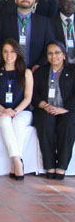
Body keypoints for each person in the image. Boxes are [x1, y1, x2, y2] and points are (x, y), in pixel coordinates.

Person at [0, 39, 33, 180]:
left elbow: (28, 97)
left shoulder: (26, 72)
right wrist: (4, 110)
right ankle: (18, 162)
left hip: (22, 111)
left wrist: (15, 111)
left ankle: (16, 162)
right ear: (1, 54)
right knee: (6, 121)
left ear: (18, 53)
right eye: (5, 51)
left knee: (18, 123)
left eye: (12, 51)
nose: (9, 55)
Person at [32, 41, 75, 180]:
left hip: (67, 110)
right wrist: (45, 105)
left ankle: (62, 166)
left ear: (64, 55)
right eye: (50, 53)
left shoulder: (72, 71)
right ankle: (49, 165)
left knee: (68, 125)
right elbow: (33, 94)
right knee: (45, 123)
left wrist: (64, 109)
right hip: (45, 109)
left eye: (57, 52)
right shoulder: (40, 71)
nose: (53, 56)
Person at [0, 0, 54, 70]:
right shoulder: (4, 20)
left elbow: (50, 46)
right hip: (9, 69)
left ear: (34, 0)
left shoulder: (44, 22)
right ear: (15, 0)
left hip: (35, 70)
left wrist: (39, 64)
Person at [50, 0, 75, 64]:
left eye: (73, 3)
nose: (70, 6)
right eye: (67, 3)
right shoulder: (50, 23)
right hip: (59, 64)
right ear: (60, 4)